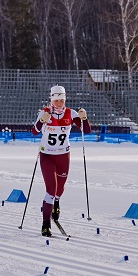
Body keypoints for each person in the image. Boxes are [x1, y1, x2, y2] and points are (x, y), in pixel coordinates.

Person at [32, 86, 90, 237]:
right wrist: (41, 122)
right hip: (47, 156)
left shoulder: (71, 113)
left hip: (64, 156)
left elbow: (87, 130)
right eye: (56, 100)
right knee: (51, 189)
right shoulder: (45, 113)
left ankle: (56, 203)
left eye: (61, 100)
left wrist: (84, 118)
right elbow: (34, 131)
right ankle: (46, 224)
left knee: (60, 189)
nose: (58, 103)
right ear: (51, 100)